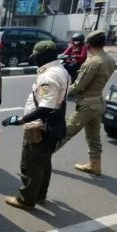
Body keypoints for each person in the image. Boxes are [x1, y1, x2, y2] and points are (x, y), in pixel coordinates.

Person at [1, 41, 71, 210]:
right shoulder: (61, 71)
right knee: (43, 162)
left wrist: (21, 119)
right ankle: (40, 195)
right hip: (52, 125)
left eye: (36, 56)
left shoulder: (49, 76)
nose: (34, 59)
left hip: (39, 127)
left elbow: (46, 106)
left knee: (31, 164)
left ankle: (25, 200)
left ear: (43, 56)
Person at [55, 30, 116, 176]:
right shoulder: (109, 60)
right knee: (94, 137)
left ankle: (41, 159)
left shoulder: (93, 61)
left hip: (87, 105)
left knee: (65, 132)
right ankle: (95, 165)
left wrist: (60, 93)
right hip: (98, 102)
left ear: (88, 45)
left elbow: (79, 85)